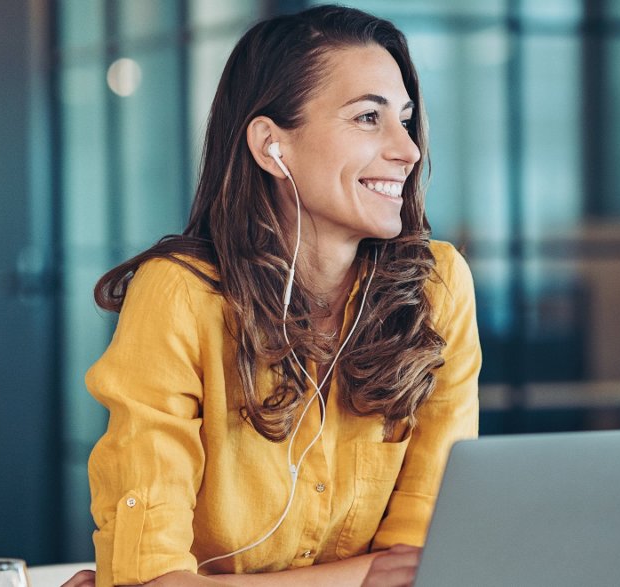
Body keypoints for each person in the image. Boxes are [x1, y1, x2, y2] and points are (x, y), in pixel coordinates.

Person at [62, 6, 479, 586]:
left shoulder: (438, 287)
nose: (407, 150)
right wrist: (358, 578)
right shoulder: (180, 294)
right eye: (367, 118)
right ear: (270, 146)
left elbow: (423, 565)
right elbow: (151, 576)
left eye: (406, 120)